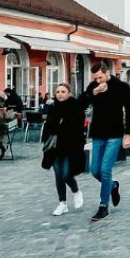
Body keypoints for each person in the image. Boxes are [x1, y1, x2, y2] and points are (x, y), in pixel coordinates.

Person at [80, 63, 130, 222]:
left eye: (100, 77)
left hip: (115, 134)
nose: (97, 80)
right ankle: (113, 186)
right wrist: (93, 93)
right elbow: (80, 104)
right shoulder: (93, 87)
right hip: (98, 133)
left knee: (105, 170)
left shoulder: (121, 87)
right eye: (95, 78)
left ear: (107, 73)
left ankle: (103, 206)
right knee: (95, 170)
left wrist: (128, 134)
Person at [41, 83, 86, 217]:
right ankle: (62, 203)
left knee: (67, 174)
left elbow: (77, 127)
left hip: (69, 147)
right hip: (54, 147)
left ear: (69, 93)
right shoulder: (53, 108)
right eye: (58, 91)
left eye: (63, 91)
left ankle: (76, 191)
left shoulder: (75, 107)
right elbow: (48, 126)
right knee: (58, 175)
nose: (60, 94)